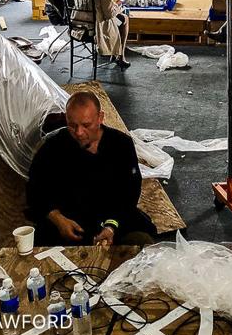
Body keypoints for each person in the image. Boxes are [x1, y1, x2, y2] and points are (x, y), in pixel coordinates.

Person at [26, 92, 156, 246]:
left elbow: (129, 192)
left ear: (100, 118)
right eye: (72, 125)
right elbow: (35, 190)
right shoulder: (53, 148)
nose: (79, 133)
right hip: (70, 224)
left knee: (141, 242)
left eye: (86, 125)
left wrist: (111, 227)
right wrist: (58, 219)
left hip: (112, 220)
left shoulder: (121, 145)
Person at [75, 0, 131, 69]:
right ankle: (121, 56)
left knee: (119, 18)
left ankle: (115, 51)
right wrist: (118, 7)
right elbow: (108, 15)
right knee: (124, 18)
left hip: (78, 23)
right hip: (96, 26)